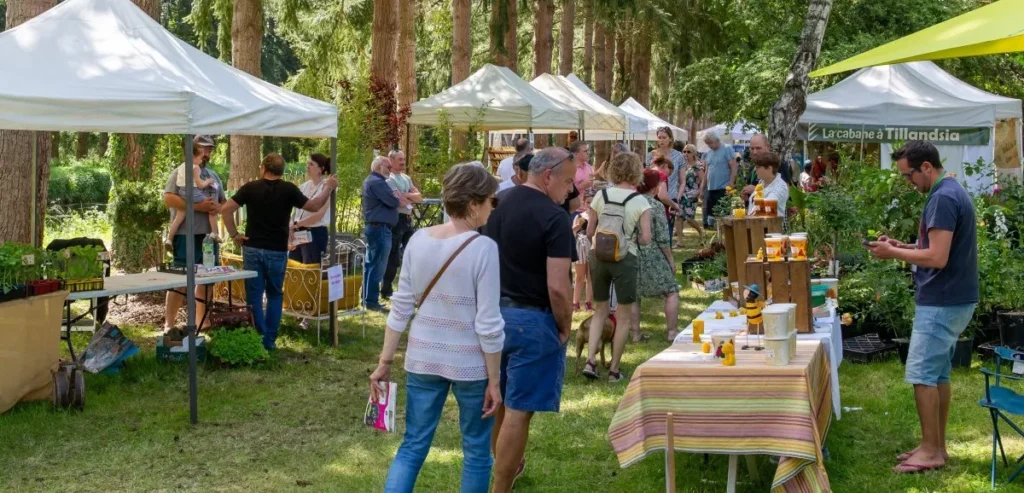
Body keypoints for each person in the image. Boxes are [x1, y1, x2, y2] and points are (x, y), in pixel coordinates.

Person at [371, 164, 504, 493]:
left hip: (423, 356)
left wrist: (385, 361)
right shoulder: (484, 248)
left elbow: (401, 306)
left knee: (413, 445)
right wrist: (495, 378)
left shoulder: (418, 239)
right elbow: (488, 323)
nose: (493, 206)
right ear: (473, 204)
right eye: (491, 200)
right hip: (470, 364)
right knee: (476, 451)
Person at [866, 141, 978, 474]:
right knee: (938, 374)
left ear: (926, 167)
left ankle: (930, 451)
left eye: (909, 176)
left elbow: (937, 258)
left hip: (942, 300)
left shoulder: (942, 197)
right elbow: (935, 248)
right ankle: (935, 446)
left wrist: (894, 254)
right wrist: (907, 245)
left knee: (922, 376)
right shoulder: (949, 190)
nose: (908, 183)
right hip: (954, 298)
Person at [485, 147, 576, 492]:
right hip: (532, 318)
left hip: (492, 315)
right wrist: (565, 324)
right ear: (548, 175)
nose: (570, 189)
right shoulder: (555, 218)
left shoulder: (496, 203)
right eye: (567, 181)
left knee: (499, 400)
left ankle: (501, 464)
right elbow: (558, 285)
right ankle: (501, 485)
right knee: (520, 410)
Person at [221, 153, 338, 350]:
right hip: (277, 249)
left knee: (254, 295)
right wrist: (328, 187)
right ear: (282, 171)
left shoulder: (250, 188)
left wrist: (234, 235)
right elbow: (315, 206)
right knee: (275, 294)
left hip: (252, 247)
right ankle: (270, 340)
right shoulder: (289, 189)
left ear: (263, 168)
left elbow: (225, 210)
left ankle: (259, 337)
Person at [582, 151, 652, 383]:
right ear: (636, 172)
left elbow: (590, 231)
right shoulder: (641, 201)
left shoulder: (600, 195)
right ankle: (614, 370)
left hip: (598, 257)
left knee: (600, 310)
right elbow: (646, 238)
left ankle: (591, 360)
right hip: (625, 259)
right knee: (623, 317)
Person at [162, 135, 225, 332]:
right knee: (180, 280)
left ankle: (202, 322)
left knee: (206, 279)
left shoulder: (213, 176)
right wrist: (199, 206)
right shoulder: (180, 172)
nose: (207, 153)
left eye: (210, 149)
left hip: (208, 237)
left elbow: (222, 202)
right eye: (204, 149)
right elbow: (169, 199)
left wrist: (216, 208)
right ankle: (169, 325)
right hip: (185, 235)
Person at [632, 169, 680, 342]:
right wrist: (670, 260)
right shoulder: (656, 205)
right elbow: (661, 236)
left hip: (630, 253)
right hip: (651, 252)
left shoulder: (628, 202)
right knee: (671, 290)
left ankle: (636, 333)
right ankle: (672, 332)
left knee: (634, 294)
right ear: (654, 186)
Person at [362, 156, 410, 312]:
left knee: (372, 264)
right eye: (388, 167)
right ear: (378, 167)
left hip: (378, 228)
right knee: (378, 266)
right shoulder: (377, 182)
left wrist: (400, 198)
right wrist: (399, 199)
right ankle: (371, 301)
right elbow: (395, 201)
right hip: (380, 229)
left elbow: (399, 199)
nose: (391, 170)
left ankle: (367, 298)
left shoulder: (375, 181)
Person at [382, 150, 423, 300]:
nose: (403, 162)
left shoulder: (406, 177)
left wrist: (407, 196)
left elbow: (419, 197)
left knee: (412, 252)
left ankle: (410, 287)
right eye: (400, 159)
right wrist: (408, 197)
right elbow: (399, 200)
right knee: (393, 255)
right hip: (396, 219)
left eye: (404, 159)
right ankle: (386, 289)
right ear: (391, 161)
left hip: (407, 219)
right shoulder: (389, 179)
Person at [288, 154, 333, 264]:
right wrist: (291, 225)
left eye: (311, 164)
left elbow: (319, 214)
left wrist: (297, 224)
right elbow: (295, 211)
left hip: (315, 233)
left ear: (321, 169)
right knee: (294, 267)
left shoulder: (327, 187)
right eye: (307, 164)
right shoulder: (304, 186)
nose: (307, 166)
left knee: (310, 269)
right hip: (298, 231)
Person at [165, 156, 219, 247]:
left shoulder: (182, 167)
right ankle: (214, 233)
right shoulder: (194, 167)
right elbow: (200, 185)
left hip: (183, 193)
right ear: (193, 157)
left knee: (179, 216)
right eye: (200, 157)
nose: (202, 159)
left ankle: (169, 239)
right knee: (211, 206)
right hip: (192, 193)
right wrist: (208, 181)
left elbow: (223, 203)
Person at [647, 127, 685, 243]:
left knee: (667, 229)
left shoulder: (678, 156)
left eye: (664, 138)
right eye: (659, 138)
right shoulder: (651, 155)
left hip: (671, 196)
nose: (661, 140)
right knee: (653, 230)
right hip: (653, 197)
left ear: (670, 139)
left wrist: (678, 196)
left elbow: (682, 180)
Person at [702, 131, 738, 227]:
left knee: (723, 214)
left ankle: (723, 233)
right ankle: (716, 235)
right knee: (711, 215)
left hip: (723, 187)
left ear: (717, 140)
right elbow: (706, 172)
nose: (709, 145)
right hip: (711, 188)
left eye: (710, 142)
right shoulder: (708, 153)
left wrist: (731, 183)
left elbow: (734, 167)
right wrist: (702, 188)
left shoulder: (727, 149)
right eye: (707, 143)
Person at [746, 152, 789, 221]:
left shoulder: (780, 186)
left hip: (772, 229)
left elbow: (768, 207)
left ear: (769, 168)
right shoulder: (761, 183)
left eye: (758, 167)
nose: (755, 170)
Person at [676, 143, 705, 244]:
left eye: (688, 152)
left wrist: (700, 192)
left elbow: (703, 180)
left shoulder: (697, 165)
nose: (686, 153)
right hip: (681, 193)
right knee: (678, 216)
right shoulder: (682, 165)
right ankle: (680, 242)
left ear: (694, 153)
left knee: (689, 219)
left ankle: (701, 232)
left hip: (692, 194)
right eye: (684, 151)